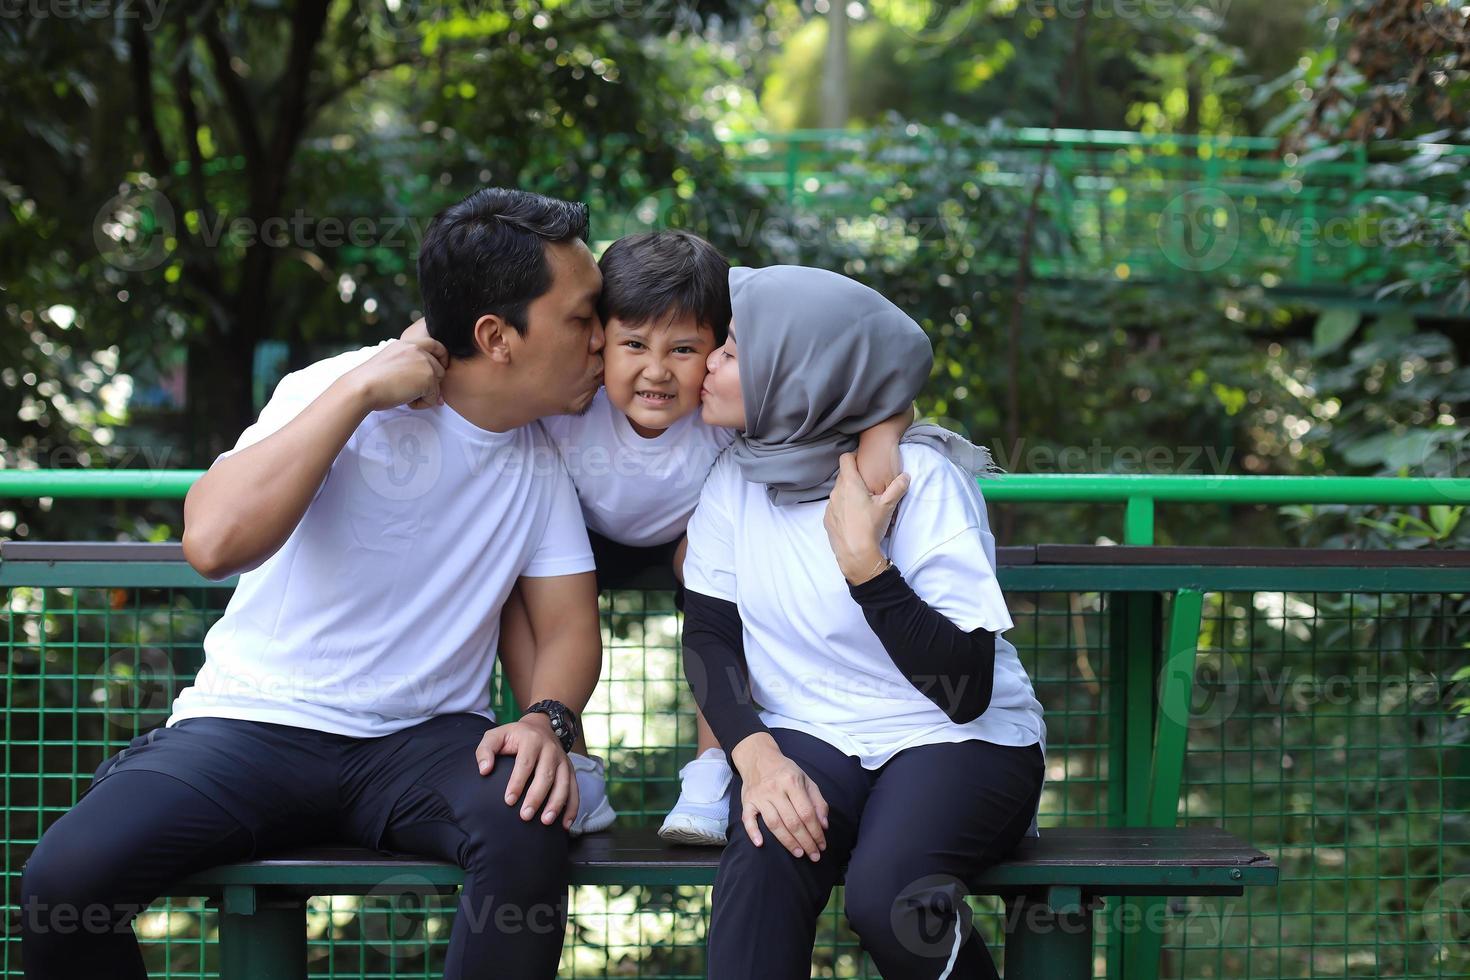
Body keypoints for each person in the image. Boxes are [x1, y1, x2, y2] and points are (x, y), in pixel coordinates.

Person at [19, 187, 607, 980]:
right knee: (65, 882)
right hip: (252, 725)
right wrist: (361, 390)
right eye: (582, 318)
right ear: (496, 336)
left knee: (528, 824)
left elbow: (569, 627)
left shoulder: (542, 455)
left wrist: (545, 721)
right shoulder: (331, 388)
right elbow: (213, 542)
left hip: (424, 742)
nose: (604, 338)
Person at [681, 265, 1048, 979]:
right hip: (815, 732)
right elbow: (709, 638)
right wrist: (755, 758)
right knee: (762, 855)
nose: (710, 364)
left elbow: (964, 689)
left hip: (960, 739)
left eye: (730, 349)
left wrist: (864, 564)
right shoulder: (734, 480)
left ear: (799, 372)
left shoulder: (924, 481)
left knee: (892, 896)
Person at [487, 231, 911, 846]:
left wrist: (887, 432)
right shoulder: (567, 398)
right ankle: (568, 759)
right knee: (518, 575)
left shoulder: (725, 408)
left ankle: (712, 766)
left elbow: (877, 387)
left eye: (684, 348)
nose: (656, 371)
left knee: (716, 572)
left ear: (719, 351)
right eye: (633, 344)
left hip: (688, 539)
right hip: (577, 536)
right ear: (598, 340)